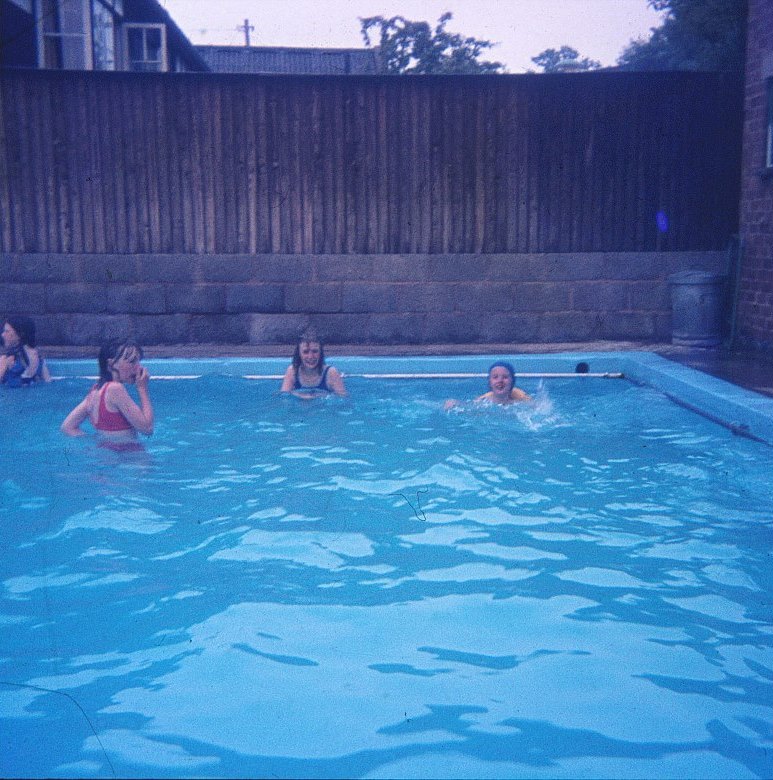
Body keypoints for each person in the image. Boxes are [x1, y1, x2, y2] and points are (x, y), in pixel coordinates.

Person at [60, 339, 154, 445]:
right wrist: (142, 388)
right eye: (132, 361)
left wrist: (97, 442)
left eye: (138, 361)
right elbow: (147, 429)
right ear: (111, 364)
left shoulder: (95, 390)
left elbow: (67, 427)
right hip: (130, 457)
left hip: (107, 458)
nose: (139, 367)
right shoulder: (116, 389)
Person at [280, 332, 347, 398]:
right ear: (299, 354)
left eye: (315, 351)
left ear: (320, 353)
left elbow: (343, 400)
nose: (310, 356)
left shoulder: (331, 373)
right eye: (305, 352)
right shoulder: (293, 371)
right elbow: (284, 399)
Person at [445, 361, 531, 409]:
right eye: (495, 377)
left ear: (512, 381)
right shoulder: (484, 400)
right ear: (489, 382)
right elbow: (469, 406)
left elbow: (537, 407)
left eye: (505, 377)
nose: (500, 381)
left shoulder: (521, 397)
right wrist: (455, 403)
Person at [0, 315, 51, 386]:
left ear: (20, 334)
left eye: (7, 331)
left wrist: (3, 367)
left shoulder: (7, 359)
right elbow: (47, 382)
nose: (3, 335)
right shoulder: (38, 358)